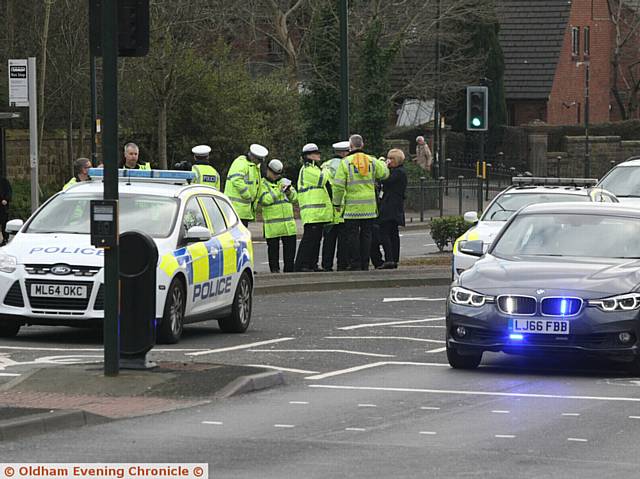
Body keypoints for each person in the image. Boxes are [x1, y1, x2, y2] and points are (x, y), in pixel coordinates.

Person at [332, 134, 389, 271]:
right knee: (367, 235)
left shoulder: (345, 162)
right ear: (362, 145)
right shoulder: (371, 161)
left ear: (350, 147)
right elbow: (385, 174)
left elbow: (338, 186)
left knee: (352, 236)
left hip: (352, 208)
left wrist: (337, 204)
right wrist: (382, 163)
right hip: (369, 206)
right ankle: (365, 263)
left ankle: (355, 263)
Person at [294, 143, 333, 272]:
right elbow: (322, 179)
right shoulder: (307, 170)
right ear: (308, 156)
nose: (318, 155)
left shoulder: (314, 169)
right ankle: (302, 265)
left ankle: (312, 264)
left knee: (316, 240)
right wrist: (327, 169)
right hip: (312, 212)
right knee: (309, 240)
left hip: (318, 212)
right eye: (315, 153)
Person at [258, 159, 297, 273]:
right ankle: (274, 275)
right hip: (273, 227)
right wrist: (279, 191)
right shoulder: (262, 184)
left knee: (290, 257)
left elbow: (295, 198)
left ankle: (289, 274)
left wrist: (289, 192)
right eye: (274, 173)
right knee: (273, 255)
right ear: (268, 171)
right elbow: (264, 200)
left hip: (288, 226)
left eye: (278, 174)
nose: (276, 176)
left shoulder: (285, 181)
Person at [320, 141, 351, 271]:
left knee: (329, 240)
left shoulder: (325, 165)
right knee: (343, 240)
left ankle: (326, 265)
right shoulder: (346, 165)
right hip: (343, 208)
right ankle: (342, 264)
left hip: (329, 209)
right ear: (344, 152)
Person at [378, 148, 408, 269]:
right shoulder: (399, 171)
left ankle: (390, 258)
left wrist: (383, 167)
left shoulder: (398, 172)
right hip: (394, 205)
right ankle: (393, 259)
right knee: (393, 233)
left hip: (390, 205)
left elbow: (386, 180)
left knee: (385, 232)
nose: (388, 161)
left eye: (390, 159)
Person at [224, 144, 268, 227]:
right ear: (253, 157)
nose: (260, 163)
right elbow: (236, 180)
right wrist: (248, 196)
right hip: (236, 209)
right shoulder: (241, 163)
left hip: (243, 210)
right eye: (259, 160)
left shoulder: (253, 166)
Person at [0, 175, 12, 246]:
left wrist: (6, 199)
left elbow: (9, 191)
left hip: (2, 206)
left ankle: (5, 239)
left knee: (4, 222)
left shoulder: (4, 181)